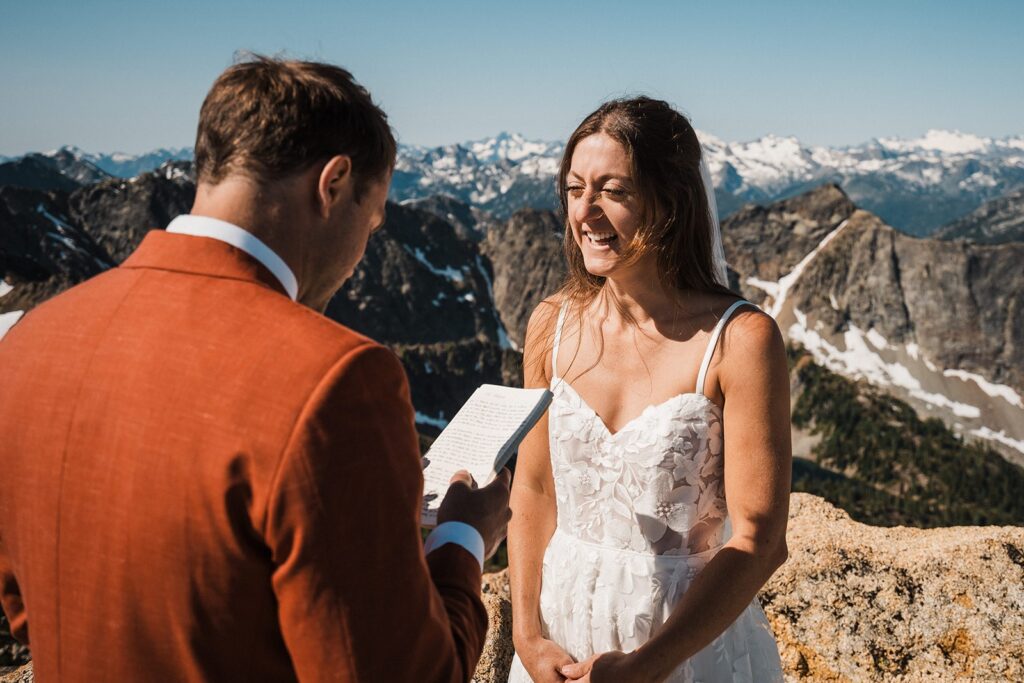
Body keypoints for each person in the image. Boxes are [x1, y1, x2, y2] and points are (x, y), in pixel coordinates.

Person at [0, 55, 511, 682]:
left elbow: (27, 606)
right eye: (371, 221)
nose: (359, 255)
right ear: (333, 183)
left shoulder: (28, 345)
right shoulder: (338, 379)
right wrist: (461, 540)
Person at [507, 97, 790, 682]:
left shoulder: (740, 340)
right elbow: (533, 490)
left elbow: (760, 541)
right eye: (574, 188)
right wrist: (528, 635)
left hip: (681, 648)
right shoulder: (550, 325)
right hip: (556, 640)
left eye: (614, 190)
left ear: (671, 201)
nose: (585, 211)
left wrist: (646, 667)